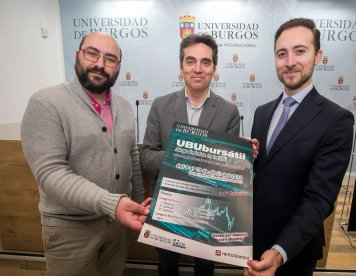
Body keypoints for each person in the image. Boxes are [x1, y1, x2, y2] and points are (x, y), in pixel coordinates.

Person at [21, 32, 151, 276]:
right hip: (72, 233)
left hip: (117, 228)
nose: (100, 64)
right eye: (92, 53)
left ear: (118, 67)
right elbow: (51, 173)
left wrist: (139, 204)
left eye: (110, 59)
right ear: (77, 55)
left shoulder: (122, 105)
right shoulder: (46, 103)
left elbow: (131, 154)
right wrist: (112, 204)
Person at [141, 33, 258, 276]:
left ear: (214, 68)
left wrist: (240, 155)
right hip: (168, 206)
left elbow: (226, 171)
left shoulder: (229, 111)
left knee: (205, 267)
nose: (198, 68)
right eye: (190, 61)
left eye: (206, 62)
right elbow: (147, 156)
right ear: (181, 67)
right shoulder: (160, 105)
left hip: (209, 207)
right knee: (167, 266)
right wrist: (185, 155)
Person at [246, 18, 354, 276]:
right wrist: (245, 161)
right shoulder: (262, 113)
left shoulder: (336, 120)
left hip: (293, 250)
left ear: (318, 56)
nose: (290, 61)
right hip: (253, 240)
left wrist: (279, 251)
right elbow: (263, 176)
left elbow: (319, 199)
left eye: (300, 51)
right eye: (282, 54)